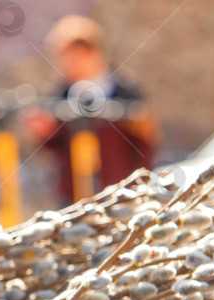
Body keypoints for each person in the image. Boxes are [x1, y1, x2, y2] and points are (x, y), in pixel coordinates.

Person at [24, 15, 157, 206]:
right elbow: (53, 145)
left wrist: (139, 184)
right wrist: (42, 131)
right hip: (74, 194)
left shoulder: (125, 91)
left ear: (92, 52)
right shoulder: (61, 94)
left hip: (119, 191)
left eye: (74, 57)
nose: (68, 64)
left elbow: (145, 142)